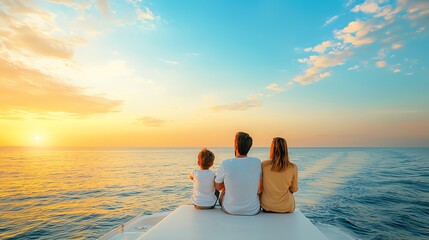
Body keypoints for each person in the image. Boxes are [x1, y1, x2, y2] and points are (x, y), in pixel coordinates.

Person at [215, 132, 262, 215]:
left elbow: (218, 187)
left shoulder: (225, 163)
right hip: (253, 210)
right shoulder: (257, 162)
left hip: (230, 209)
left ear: (236, 145)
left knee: (224, 190)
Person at [260, 137, 298, 213]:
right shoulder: (293, 167)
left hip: (267, 206)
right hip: (286, 207)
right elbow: (294, 189)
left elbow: (260, 186)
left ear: (272, 149)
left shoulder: (264, 165)